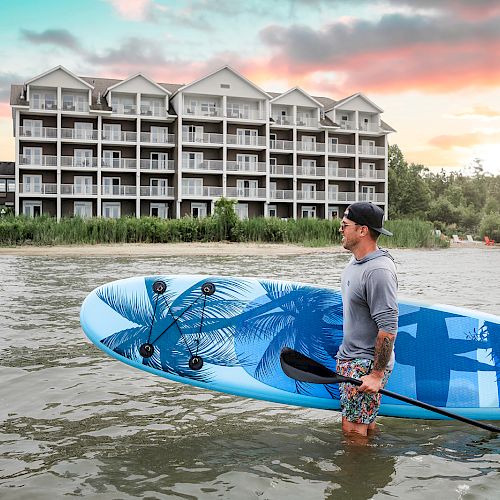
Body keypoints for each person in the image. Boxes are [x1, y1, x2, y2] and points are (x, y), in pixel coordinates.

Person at [336, 202, 398, 438]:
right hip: (352, 359)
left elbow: (389, 328)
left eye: (344, 225)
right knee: (362, 427)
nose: (341, 229)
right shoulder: (356, 262)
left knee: (352, 432)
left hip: (364, 365)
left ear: (362, 230)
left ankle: (356, 475)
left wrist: (376, 375)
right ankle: (372, 470)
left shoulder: (378, 271)